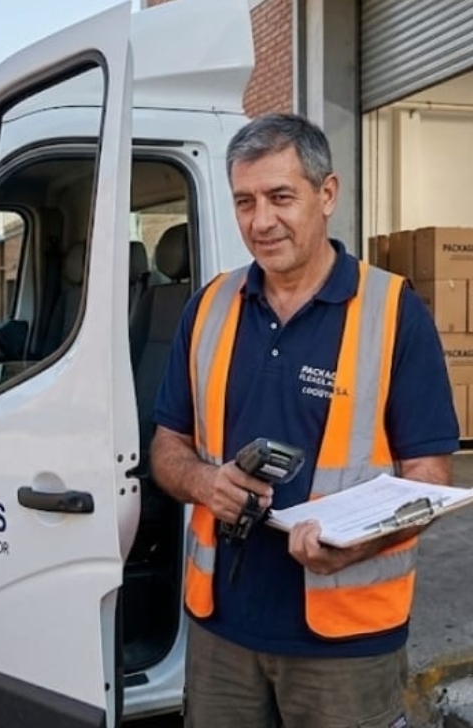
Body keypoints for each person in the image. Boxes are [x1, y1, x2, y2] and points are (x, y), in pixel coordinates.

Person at [150, 113, 459, 728]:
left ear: (327, 194)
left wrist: (353, 546)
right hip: (222, 633)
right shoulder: (207, 307)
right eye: (244, 201)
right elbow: (167, 445)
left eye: (280, 197)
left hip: (346, 642)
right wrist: (206, 483)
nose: (260, 221)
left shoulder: (395, 311)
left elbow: (428, 478)